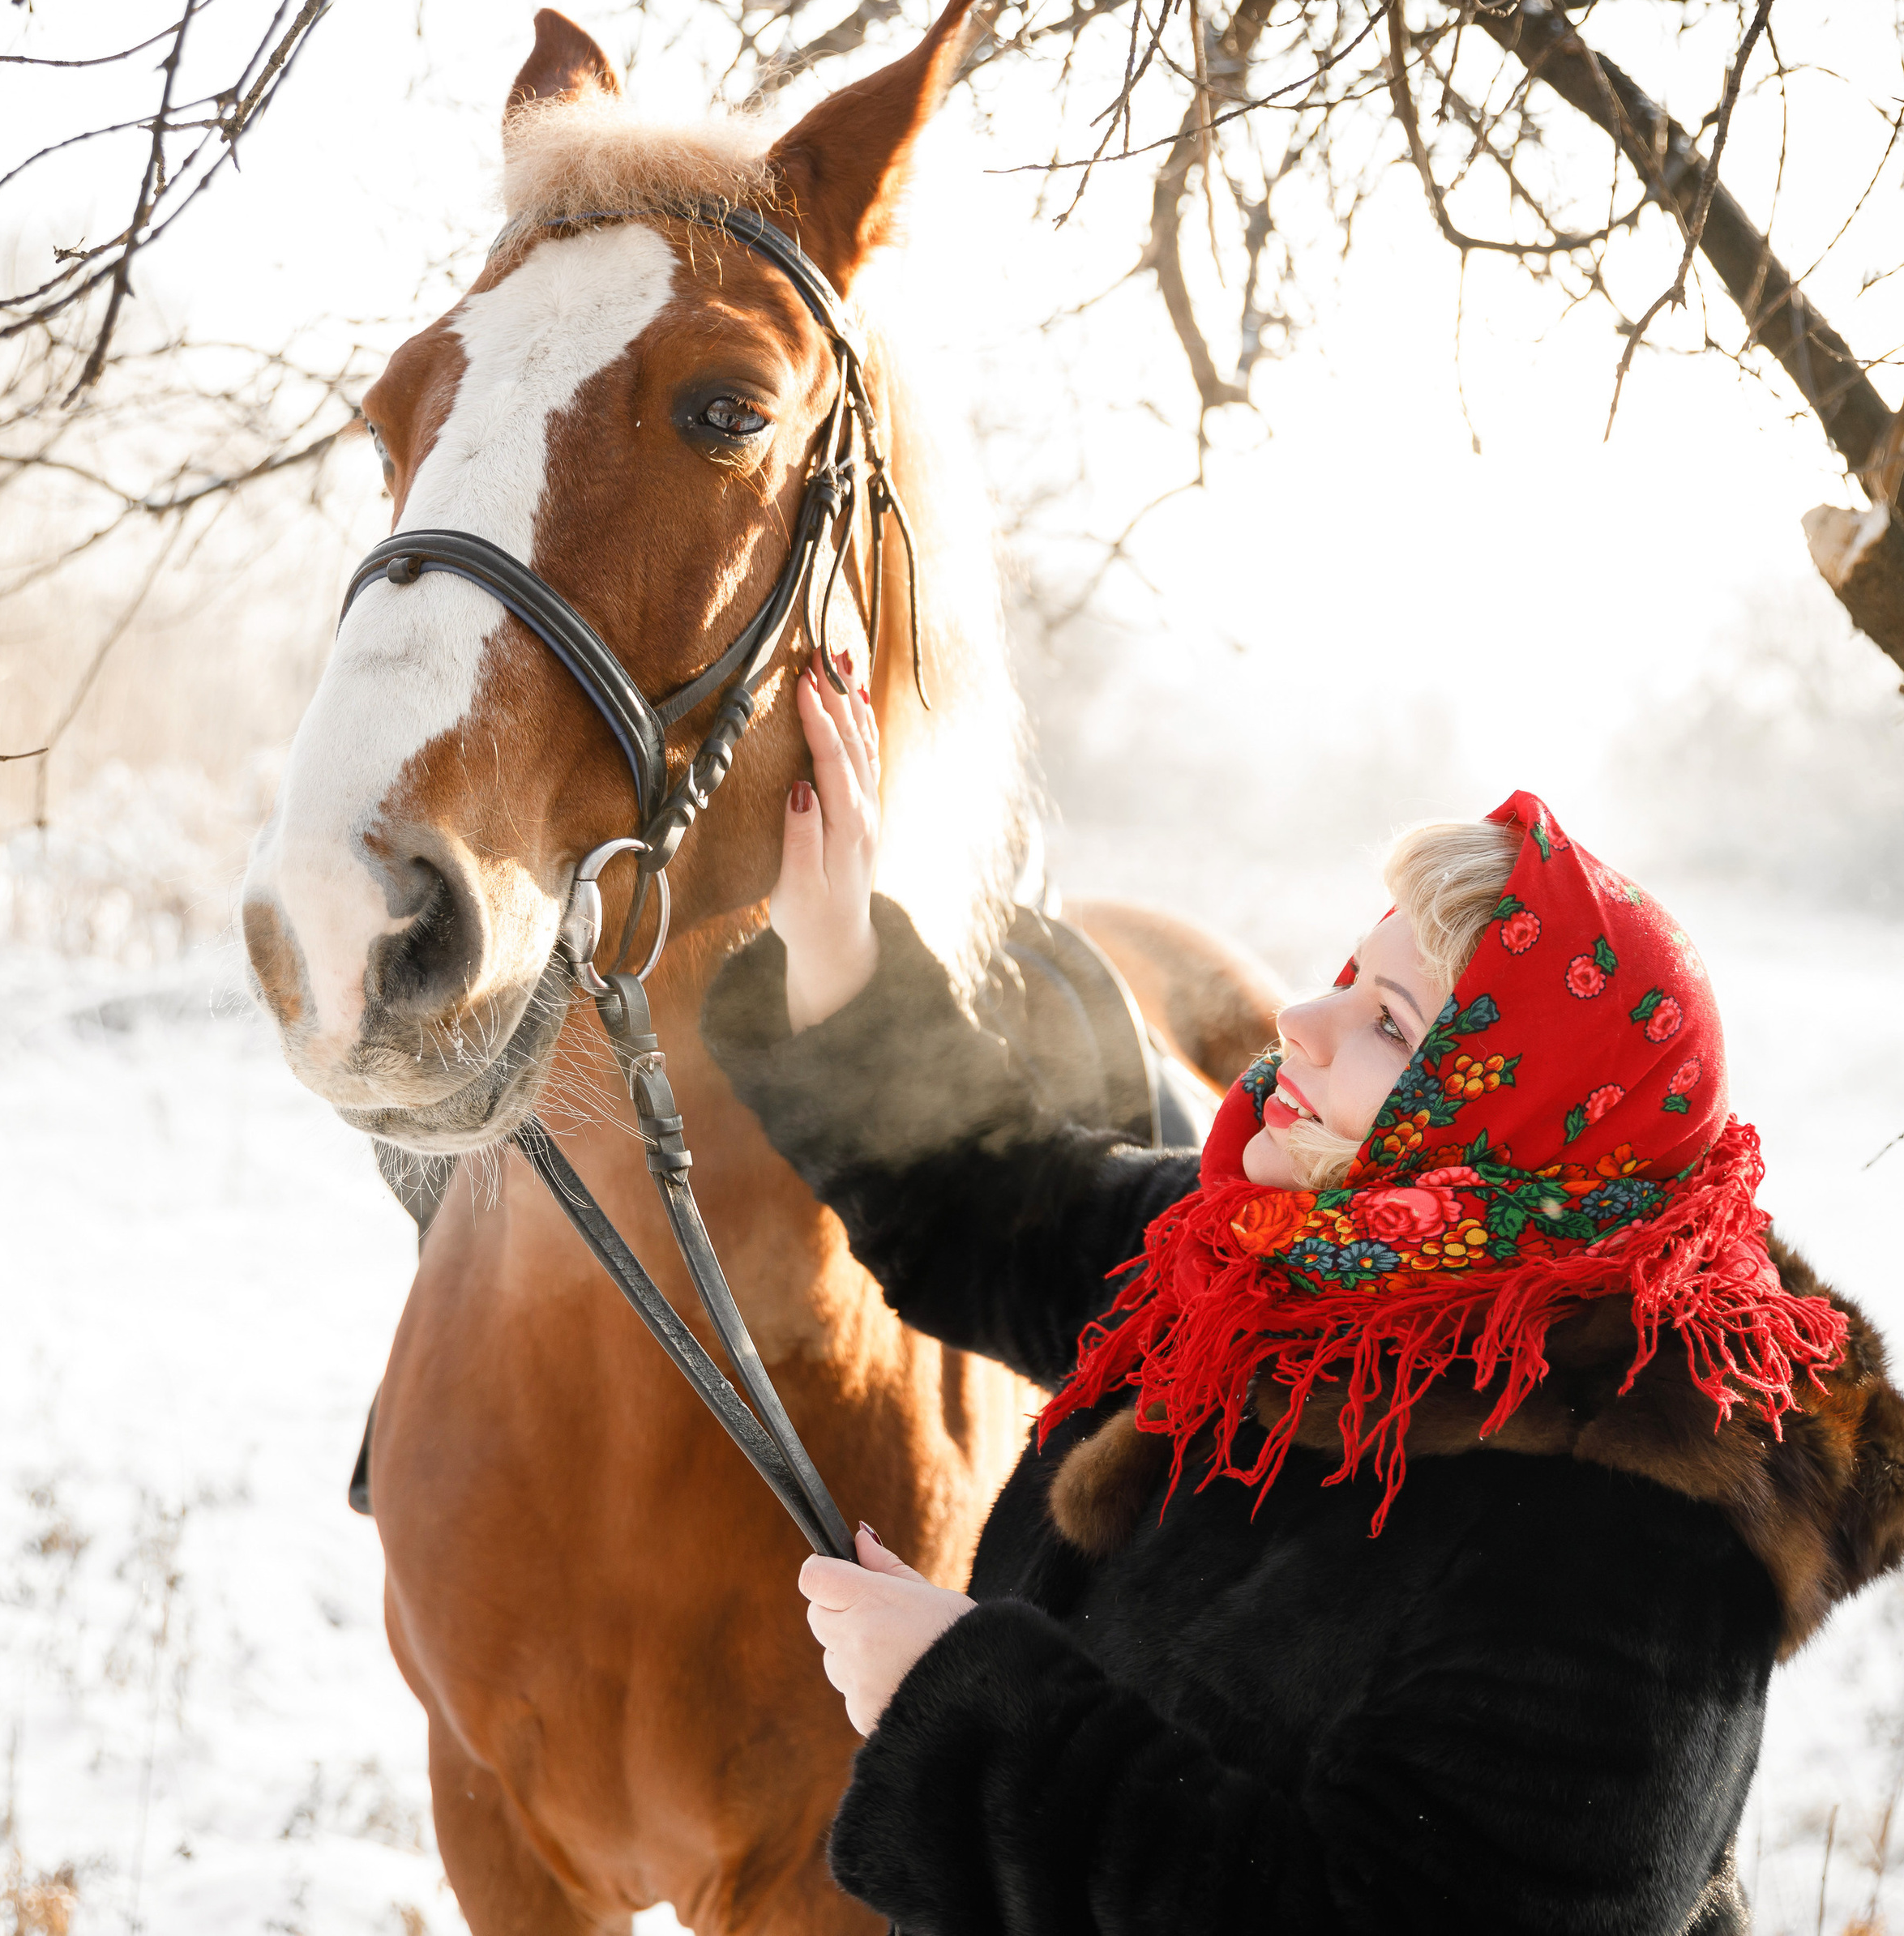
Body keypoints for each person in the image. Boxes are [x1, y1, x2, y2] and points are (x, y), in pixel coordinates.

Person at [700, 666, 1904, 1936]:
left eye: (1387, 1022)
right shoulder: (1284, 1270)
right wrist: (834, 946)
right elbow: (996, 1210)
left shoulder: (1630, 1545)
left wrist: (966, 1711)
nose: (1299, 1018)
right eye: (1351, 969)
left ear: (1506, 1125)